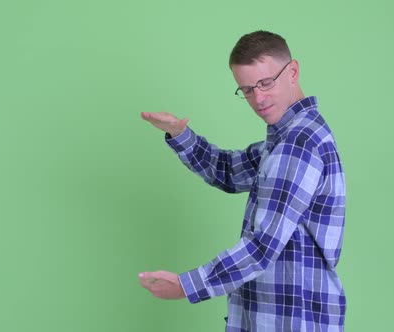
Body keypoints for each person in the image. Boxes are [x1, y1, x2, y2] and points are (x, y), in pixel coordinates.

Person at [139, 30, 346, 331]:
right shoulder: (286, 140)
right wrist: (180, 134)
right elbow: (227, 169)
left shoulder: (300, 143)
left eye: (265, 83)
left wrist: (187, 285)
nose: (258, 98)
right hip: (270, 316)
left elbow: (262, 247)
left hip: (289, 321)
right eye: (247, 89)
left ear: (293, 71)